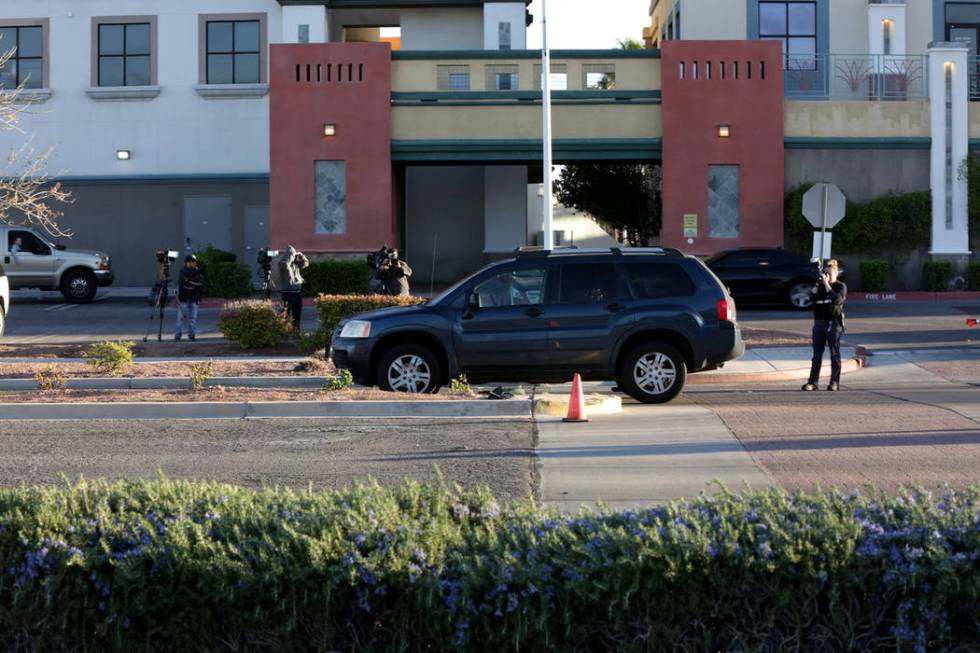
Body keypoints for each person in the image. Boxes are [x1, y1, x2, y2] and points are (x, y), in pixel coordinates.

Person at [802, 259, 846, 392]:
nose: (827, 275)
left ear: (836, 273)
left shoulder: (840, 286)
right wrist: (818, 283)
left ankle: (834, 383)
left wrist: (827, 283)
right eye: (826, 272)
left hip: (833, 323)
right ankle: (813, 382)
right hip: (819, 323)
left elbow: (837, 299)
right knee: (816, 355)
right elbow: (810, 298)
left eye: (830, 272)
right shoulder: (820, 286)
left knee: (834, 353)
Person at [279, 245, 309, 330]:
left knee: (297, 315)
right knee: (285, 314)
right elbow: (285, 265)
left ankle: (296, 331)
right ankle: (282, 330)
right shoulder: (282, 263)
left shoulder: (295, 264)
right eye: (293, 254)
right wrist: (290, 256)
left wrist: (301, 256)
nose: (294, 256)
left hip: (297, 293)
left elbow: (306, 264)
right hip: (288, 293)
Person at [175, 254, 203, 341]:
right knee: (180, 318)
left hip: (194, 298)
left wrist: (189, 281)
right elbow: (183, 283)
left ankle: (191, 335)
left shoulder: (197, 271)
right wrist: (191, 283)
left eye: (195, 261)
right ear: (188, 262)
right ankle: (178, 335)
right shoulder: (182, 271)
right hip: (183, 298)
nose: (195, 263)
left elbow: (199, 284)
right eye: (193, 261)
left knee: (193, 318)